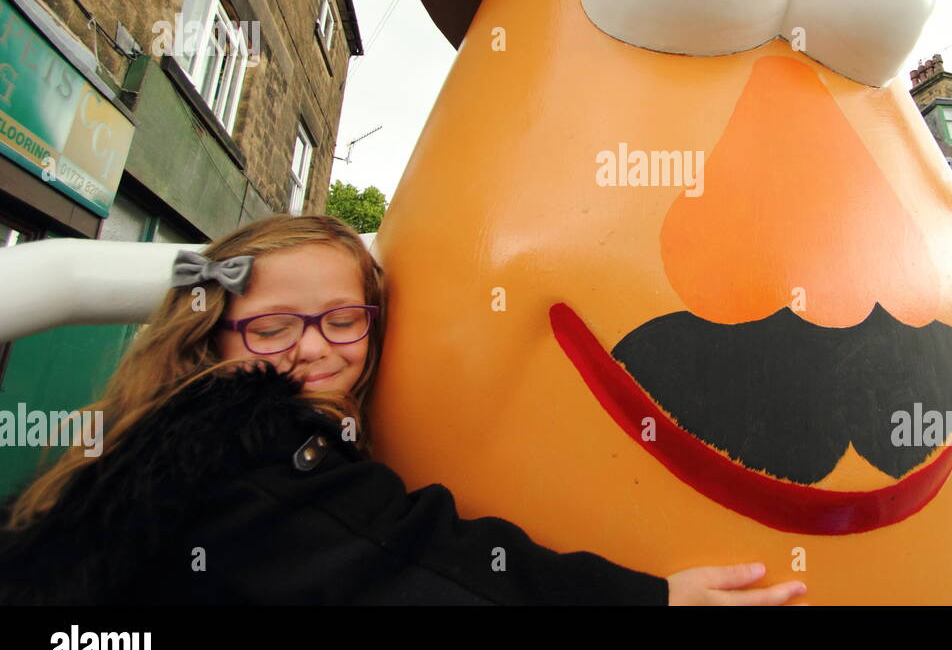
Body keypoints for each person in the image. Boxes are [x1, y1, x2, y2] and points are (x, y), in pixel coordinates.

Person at [0, 214, 806, 605]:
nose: (313, 348)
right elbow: (417, 562)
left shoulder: (152, 435)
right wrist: (652, 601)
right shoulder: (252, 450)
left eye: (342, 320)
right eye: (274, 327)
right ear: (211, 337)